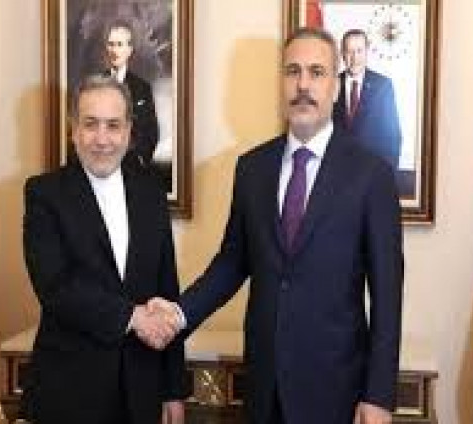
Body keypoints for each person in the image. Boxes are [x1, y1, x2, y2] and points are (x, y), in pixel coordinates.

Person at [150, 27, 404, 424]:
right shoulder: (252, 169)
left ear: (336, 87)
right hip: (264, 390)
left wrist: (379, 396)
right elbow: (232, 263)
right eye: (292, 71)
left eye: (317, 72)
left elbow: (388, 293)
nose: (303, 85)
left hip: (337, 392)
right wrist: (178, 316)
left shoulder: (371, 175)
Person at [21, 74, 187, 423]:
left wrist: (173, 389)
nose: (102, 139)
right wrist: (133, 317)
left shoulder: (151, 193)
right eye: (90, 124)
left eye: (113, 125)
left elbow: (166, 288)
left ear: (128, 132)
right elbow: (55, 287)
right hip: (69, 392)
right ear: (73, 130)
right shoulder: (44, 194)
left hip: (142, 388)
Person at [333, 29, 402, 170]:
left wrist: (387, 174)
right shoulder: (331, 84)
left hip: (372, 171)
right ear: (342, 54)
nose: (354, 58)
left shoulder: (383, 86)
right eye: (349, 51)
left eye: (359, 51)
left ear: (367, 52)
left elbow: (393, 136)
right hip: (337, 170)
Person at [102, 19, 160, 166]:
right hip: (101, 164)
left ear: (129, 50)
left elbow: (151, 131)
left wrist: (139, 160)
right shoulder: (94, 86)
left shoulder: (142, 88)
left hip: (132, 167)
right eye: (111, 44)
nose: (114, 50)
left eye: (119, 45)